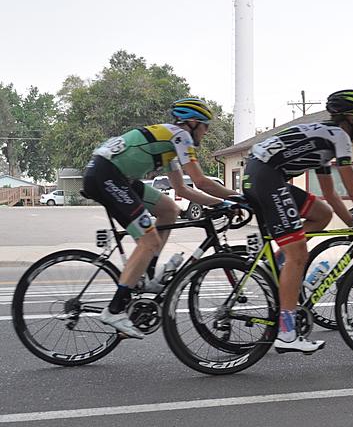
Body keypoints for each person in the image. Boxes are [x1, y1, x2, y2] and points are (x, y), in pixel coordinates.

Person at [243, 89, 353, 354]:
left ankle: (276, 262)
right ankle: (287, 332)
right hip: (266, 177)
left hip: (261, 172)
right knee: (298, 252)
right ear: (349, 119)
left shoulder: (324, 138)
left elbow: (331, 194)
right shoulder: (340, 137)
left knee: (321, 214)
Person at [82, 98, 242, 338]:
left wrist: (223, 202)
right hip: (107, 176)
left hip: (115, 175)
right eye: (205, 125)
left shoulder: (169, 143)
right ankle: (114, 310)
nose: (207, 132)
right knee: (149, 241)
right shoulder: (180, 136)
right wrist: (236, 198)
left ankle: (147, 274)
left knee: (169, 210)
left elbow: (183, 191)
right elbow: (200, 181)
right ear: (192, 122)